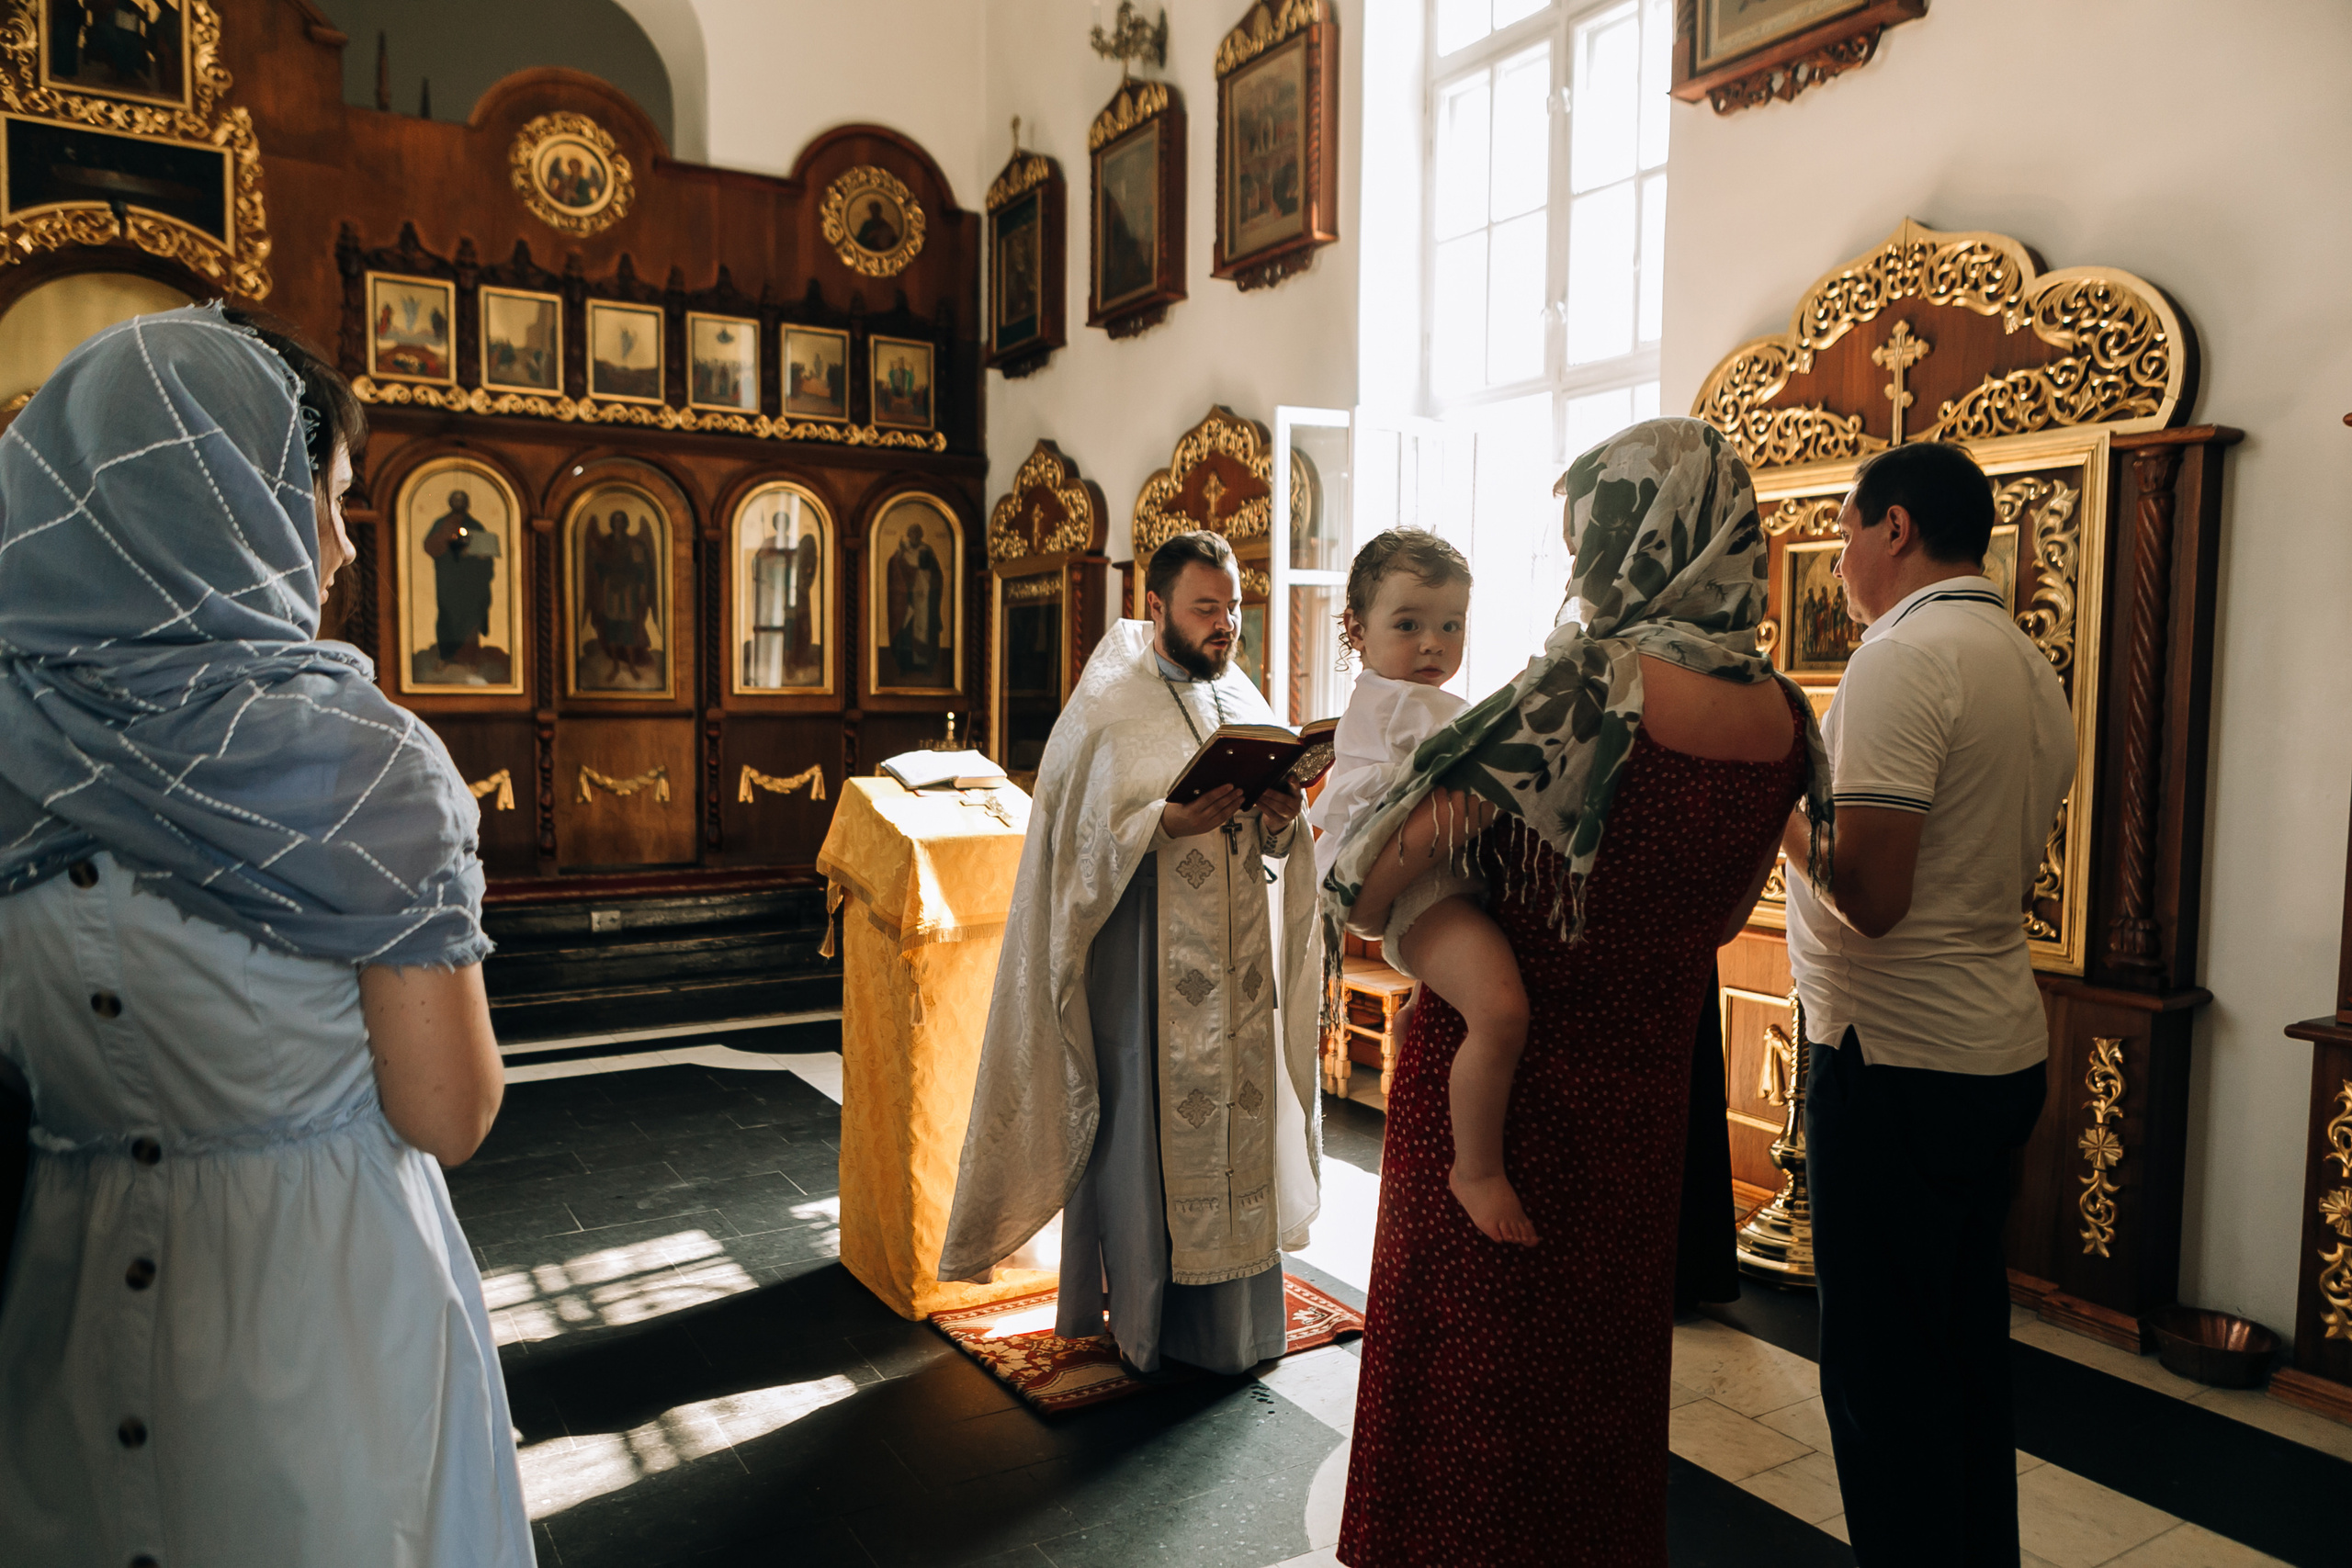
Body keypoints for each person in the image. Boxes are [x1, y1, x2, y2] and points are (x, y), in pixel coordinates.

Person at [0, 304, 530, 1566]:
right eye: (331, 500)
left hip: (66, 1297)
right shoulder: (365, 770)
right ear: (228, 503)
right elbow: (446, 1110)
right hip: (324, 1315)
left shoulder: (17, 751)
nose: (345, 549)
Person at [1331, 419, 1830, 1567]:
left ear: (1635, 537)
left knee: (1468, 1381)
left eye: (1585, 538)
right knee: (1597, 1387)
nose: (1576, 569)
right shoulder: (1785, 720)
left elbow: (1371, 886)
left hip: (1506, 1079)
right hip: (1645, 1090)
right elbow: (1719, 916)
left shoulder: (1588, 685)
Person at [1777, 440, 2073, 1568]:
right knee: (1958, 1358)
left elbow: (1875, 899)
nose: (1841, 556)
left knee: (1882, 1378)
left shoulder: (1904, 657)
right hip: (1989, 1043)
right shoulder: (2019, 654)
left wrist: (1778, 808)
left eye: (1847, 529)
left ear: (1893, 527)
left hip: (1897, 1060)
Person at [939, 531, 1324, 1375]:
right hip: (1144, 964)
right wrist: (1159, 824)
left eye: (1232, 607)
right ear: (1155, 607)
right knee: (1146, 1133)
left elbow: (1268, 847)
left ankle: (1237, 1330)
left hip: (1237, 964)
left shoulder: (1245, 699)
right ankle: (1150, 1325)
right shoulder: (1109, 711)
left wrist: (1281, 816)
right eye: (1205, 608)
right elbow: (1072, 848)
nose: (1226, 625)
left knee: (1238, 1128)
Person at [1306, 529, 1534, 1245]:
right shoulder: (1411, 706)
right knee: (1501, 1010)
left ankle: (1416, 1022)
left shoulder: (1395, 697)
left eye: (1451, 625)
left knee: (1464, 999)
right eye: (1408, 624)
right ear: (1357, 629)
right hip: (1419, 896)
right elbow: (1497, 746)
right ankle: (1477, 1169)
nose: (1433, 643)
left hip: (1429, 888)